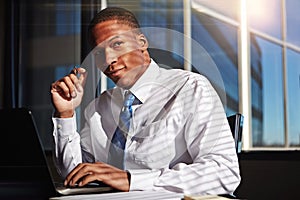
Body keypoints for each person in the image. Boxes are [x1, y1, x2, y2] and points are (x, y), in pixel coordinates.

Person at [50, 7, 240, 195]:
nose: (108, 59)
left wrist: (130, 180)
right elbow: (75, 175)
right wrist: (65, 114)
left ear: (141, 42)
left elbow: (224, 173)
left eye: (116, 44)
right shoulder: (97, 108)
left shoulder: (189, 88)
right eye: (99, 53)